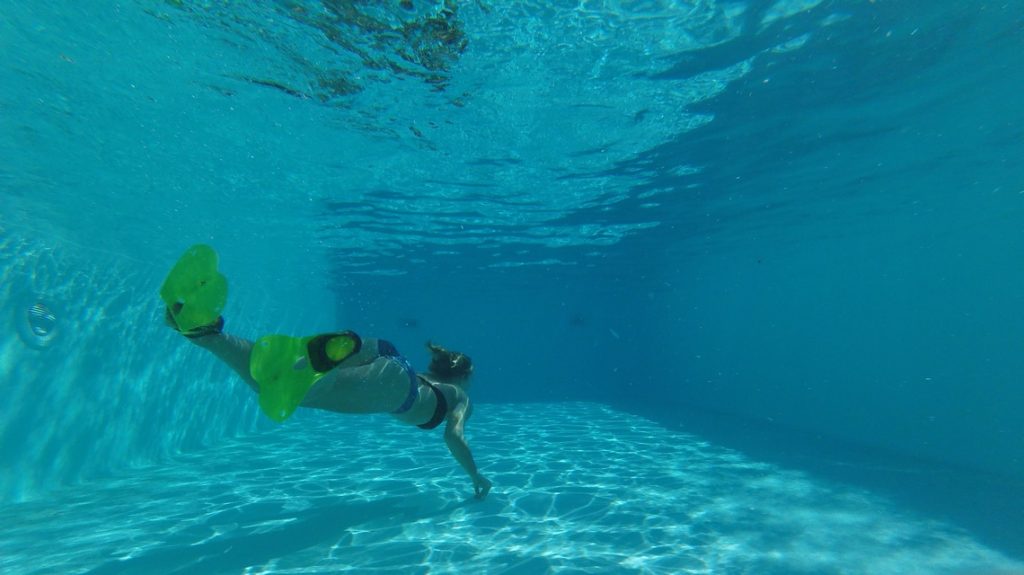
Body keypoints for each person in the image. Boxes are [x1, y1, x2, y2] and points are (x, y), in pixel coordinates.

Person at [165, 298, 491, 500]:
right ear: (464, 376)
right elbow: (453, 436)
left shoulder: (427, 376)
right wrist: (475, 476)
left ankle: (207, 335)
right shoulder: (459, 396)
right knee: (301, 393)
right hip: (398, 393)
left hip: (386, 357)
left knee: (282, 383)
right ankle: (329, 360)